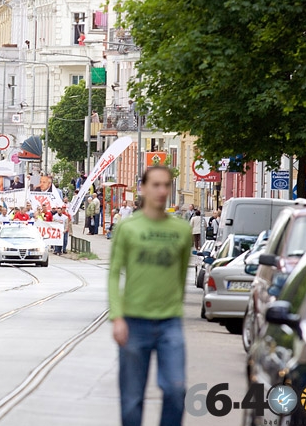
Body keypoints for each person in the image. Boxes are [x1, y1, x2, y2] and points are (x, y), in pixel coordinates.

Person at [108, 166, 192, 426]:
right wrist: (117, 317)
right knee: (132, 398)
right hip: (134, 322)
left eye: (166, 185)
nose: (162, 191)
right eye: (155, 185)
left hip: (169, 322)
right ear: (143, 188)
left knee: (177, 390)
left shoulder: (181, 230)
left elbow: (181, 274)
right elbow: (113, 274)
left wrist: (174, 307)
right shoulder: (128, 227)